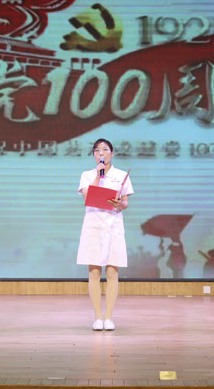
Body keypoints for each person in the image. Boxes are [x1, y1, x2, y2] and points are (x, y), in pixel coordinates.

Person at [77, 138, 133, 331]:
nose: (101, 153)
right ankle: (97, 317)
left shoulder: (121, 175)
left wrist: (120, 204)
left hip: (113, 225)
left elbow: (125, 203)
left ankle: (108, 317)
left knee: (112, 272)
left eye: (105, 149)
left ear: (112, 153)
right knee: (94, 272)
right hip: (93, 225)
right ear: (94, 155)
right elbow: (87, 197)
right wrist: (98, 175)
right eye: (97, 150)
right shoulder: (87, 175)